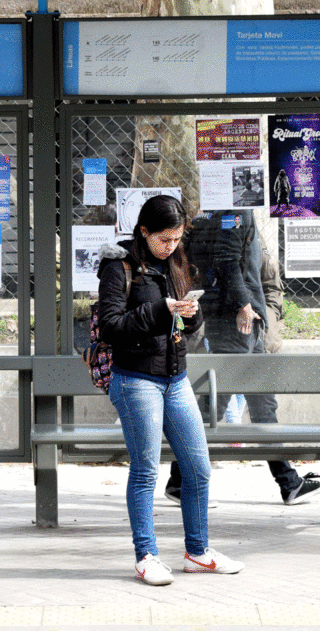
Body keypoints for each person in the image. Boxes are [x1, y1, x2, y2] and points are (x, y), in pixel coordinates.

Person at [96, 194, 243, 586]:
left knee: (197, 468)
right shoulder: (119, 267)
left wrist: (191, 318)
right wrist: (162, 310)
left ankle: (198, 552)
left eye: (177, 238)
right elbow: (111, 326)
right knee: (145, 469)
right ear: (143, 231)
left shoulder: (177, 262)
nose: (171, 246)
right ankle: (145, 556)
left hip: (175, 379)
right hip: (136, 378)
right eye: (164, 239)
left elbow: (186, 327)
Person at [167, 211, 320, 505]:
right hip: (237, 321)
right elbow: (228, 261)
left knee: (261, 402)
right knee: (212, 406)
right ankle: (179, 481)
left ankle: (288, 483)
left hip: (244, 320)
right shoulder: (234, 211)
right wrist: (244, 305)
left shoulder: (224, 213)